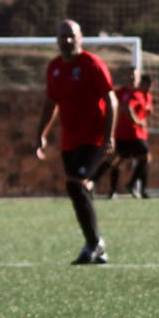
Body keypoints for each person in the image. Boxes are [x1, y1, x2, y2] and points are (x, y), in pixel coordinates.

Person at [34, 19, 119, 264]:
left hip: (94, 138)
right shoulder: (54, 68)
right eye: (63, 36)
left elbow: (111, 100)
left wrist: (109, 135)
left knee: (75, 185)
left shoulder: (92, 64)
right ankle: (96, 246)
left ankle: (94, 244)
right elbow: (51, 104)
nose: (67, 40)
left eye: (71, 35)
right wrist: (41, 134)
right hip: (70, 141)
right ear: (57, 39)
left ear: (81, 37)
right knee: (78, 189)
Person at [99, 71, 154, 199]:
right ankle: (131, 185)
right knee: (143, 157)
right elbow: (126, 107)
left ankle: (135, 188)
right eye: (130, 76)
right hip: (128, 134)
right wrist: (137, 121)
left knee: (118, 161)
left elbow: (145, 111)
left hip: (137, 134)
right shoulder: (126, 93)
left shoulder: (145, 96)